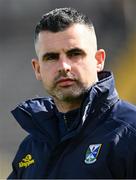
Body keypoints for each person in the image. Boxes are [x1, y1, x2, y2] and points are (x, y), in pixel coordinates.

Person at [8, 7, 136, 179]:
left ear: (98, 60)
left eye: (75, 54)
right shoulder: (30, 148)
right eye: (51, 57)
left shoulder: (130, 133)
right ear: (37, 69)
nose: (64, 67)